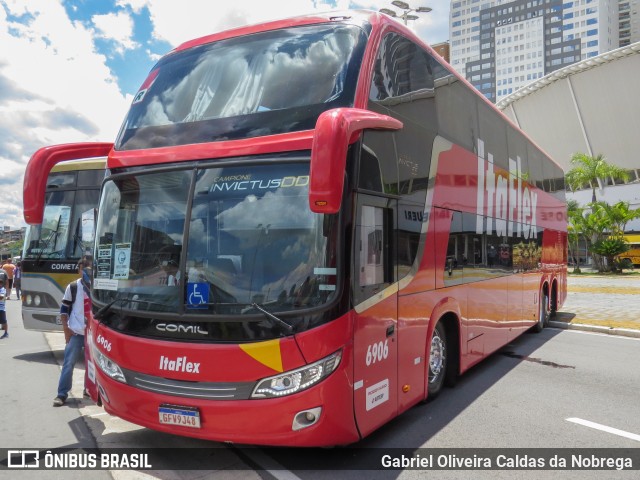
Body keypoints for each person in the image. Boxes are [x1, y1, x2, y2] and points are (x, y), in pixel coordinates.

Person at [53, 258, 91, 407]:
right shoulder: (73, 287)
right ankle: (62, 394)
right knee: (68, 363)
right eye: (83, 268)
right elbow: (64, 311)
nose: (86, 271)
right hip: (75, 333)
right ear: (79, 270)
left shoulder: (97, 287)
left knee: (92, 365)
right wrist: (66, 331)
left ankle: (88, 390)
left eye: (89, 268)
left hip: (92, 334)